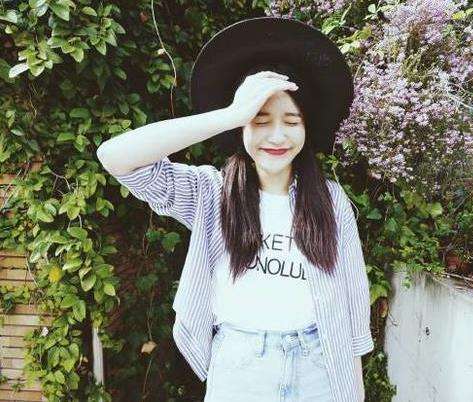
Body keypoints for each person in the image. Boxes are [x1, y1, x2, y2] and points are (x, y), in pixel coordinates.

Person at [96, 16, 373, 402]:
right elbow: (115, 157)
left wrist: (352, 389)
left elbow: (353, 300)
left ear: (306, 129)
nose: (277, 136)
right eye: (260, 121)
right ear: (241, 127)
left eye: (291, 121)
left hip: (319, 363)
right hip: (242, 366)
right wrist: (231, 113)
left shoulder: (329, 199)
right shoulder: (211, 193)